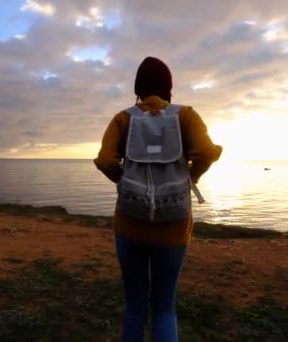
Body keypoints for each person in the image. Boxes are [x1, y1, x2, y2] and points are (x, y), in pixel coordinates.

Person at [94, 56, 222, 341]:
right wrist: (192, 177)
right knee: (164, 308)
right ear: (168, 88)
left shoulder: (123, 118)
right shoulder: (186, 115)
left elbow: (104, 161)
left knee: (135, 306)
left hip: (129, 225)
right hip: (173, 227)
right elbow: (206, 152)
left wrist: (123, 179)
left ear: (138, 87)